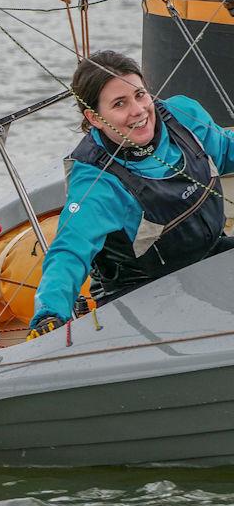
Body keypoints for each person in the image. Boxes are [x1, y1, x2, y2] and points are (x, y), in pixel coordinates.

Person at [29, 50, 234, 338]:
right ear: (95, 118)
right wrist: (50, 313)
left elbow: (226, 150)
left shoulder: (181, 116)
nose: (138, 110)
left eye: (140, 95)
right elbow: (69, 250)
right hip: (143, 296)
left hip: (210, 261)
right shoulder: (96, 181)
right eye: (119, 104)